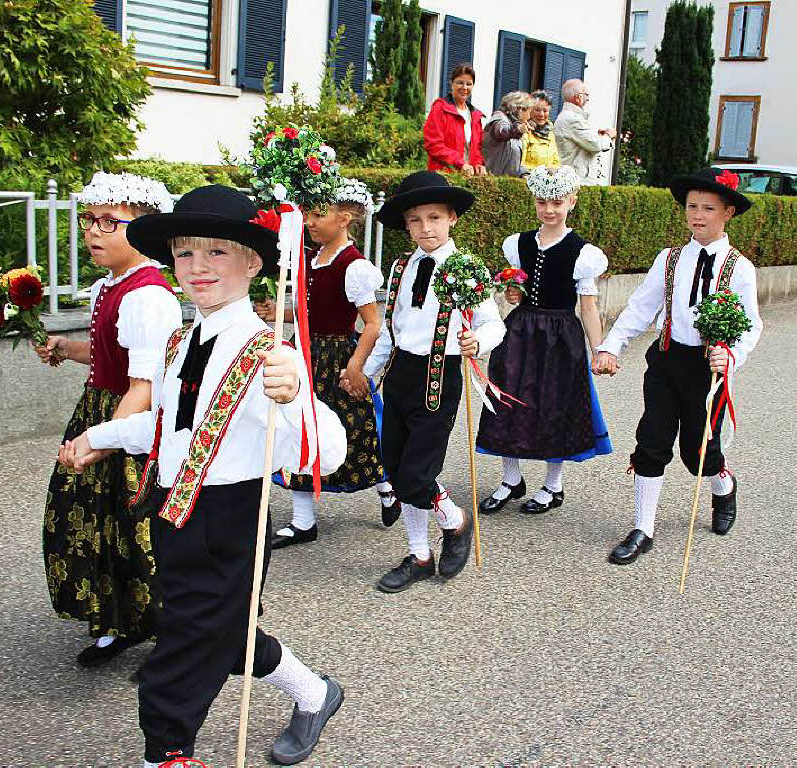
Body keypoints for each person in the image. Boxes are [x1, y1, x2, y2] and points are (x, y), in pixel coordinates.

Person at [60, 185, 349, 766]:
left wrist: (296, 397)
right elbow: (167, 428)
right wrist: (100, 437)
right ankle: (315, 693)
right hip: (173, 513)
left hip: (230, 522)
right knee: (224, 635)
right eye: (186, 253)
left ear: (253, 262)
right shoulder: (179, 342)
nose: (198, 267)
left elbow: (329, 452)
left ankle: (166, 753)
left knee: (179, 661)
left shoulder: (268, 353)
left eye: (218, 253)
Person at [35, 171, 181, 668]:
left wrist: (104, 439)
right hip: (101, 406)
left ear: (142, 231)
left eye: (109, 222)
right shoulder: (111, 285)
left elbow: (143, 384)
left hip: (131, 420)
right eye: (89, 220)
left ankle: (169, 633)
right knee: (100, 523)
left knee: (136, 525)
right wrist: (65, 348)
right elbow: (107, 354)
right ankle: (120, 619)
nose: (94, 231)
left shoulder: (149, 296)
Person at [592, 167, 763, 565]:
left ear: (728, 213)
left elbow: (751, 325)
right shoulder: (668, 259)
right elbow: (641, 306)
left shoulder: (741, 268)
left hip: (708, 369)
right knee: (652, 439)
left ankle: (723, 487)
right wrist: (611, 346)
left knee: (698, 452)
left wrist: (731, 354)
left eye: (708, 207)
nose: (697, 215)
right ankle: (643, 528)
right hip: (667, 359)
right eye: (691, 207)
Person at [366, 170, 506, 592]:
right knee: (393, 465)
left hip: (438, 378)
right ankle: (419, 554)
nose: (425, 228)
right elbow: (393, 328)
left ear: (452, 219)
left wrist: (476, 341)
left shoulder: (465, 269)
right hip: (402, 373)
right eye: (415, 220)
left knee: (416, 473)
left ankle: (456, 520)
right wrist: (370, 371)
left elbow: (493, 324)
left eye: (434, 218)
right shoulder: (400, 268)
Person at [255, 178, 399, 549]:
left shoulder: (354, 266)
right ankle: (304, 521)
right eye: (308, 213)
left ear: (345, 218)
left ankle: (387, 487)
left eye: (318, 214)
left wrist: (356, 367)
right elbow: (308, 311)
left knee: (355, 429)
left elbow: (372, 323)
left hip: (337, 357)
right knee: (298, 428)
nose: (310, 221)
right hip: (304, 354)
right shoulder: (310, 258)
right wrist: (279, 312)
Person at [476, 166, 611, 515]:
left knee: (554, 406)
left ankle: (553, 486)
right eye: (541, 202)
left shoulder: (583, 253)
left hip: (560, 337)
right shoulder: (518, 244)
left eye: (557, 202)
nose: (549, 210)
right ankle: (510, 479)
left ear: (572, 202)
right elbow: (514, 294)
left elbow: (589, 306)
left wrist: (600, 351)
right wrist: (512, 294)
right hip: (519, 332)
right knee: (506, 401)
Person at [423, 63, 487, 176]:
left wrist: (478, 164)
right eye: (460, 83)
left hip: (468, 178)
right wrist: (460, 163)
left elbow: (476, 149)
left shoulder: (475, 115)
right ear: (451, 83)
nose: (464, 88)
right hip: (443, 176)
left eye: (469, 84)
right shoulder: (440, 108)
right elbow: (433, 144)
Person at [554, 79, 616, 185]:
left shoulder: (568, 118)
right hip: (576, 181)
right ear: (577, 97)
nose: (587, 99)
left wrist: (596, 135)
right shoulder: (572, 119)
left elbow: (581, 141)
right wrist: (608, 135)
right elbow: (595, 145)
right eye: (586, 94)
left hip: (573, 179)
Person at [482, 91, 534, 177]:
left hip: (506, 182)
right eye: (528, 112)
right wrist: (518, 129)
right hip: (491, 179)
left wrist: (524, 173)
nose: (529, 117)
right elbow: (501, 131)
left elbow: (513, 161)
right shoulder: (499, 117)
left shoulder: (516, 127)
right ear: (520, 110)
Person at [521, 90, 561, 171]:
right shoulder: (524, 131)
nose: (541, 114)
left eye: (545, 111)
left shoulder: (550, 131)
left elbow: (556, 161)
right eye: (537, 110)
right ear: (530, 110)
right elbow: (520, 165)